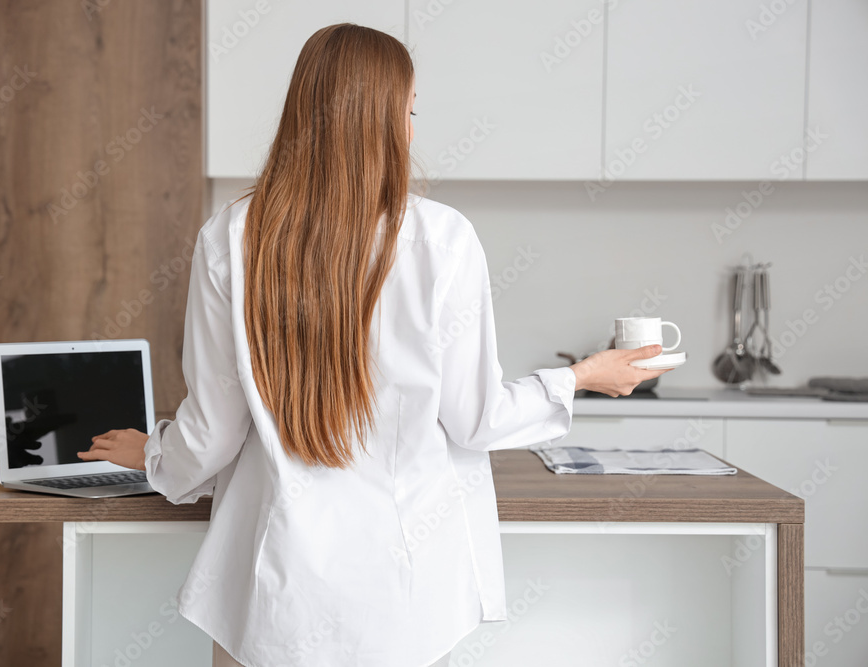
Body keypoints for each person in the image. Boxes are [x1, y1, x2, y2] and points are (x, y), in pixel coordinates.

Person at [77, 23, 668, 667]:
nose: (413, 129)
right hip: (404, 601)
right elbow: (476, 421)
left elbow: (214, 432)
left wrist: (153, 452)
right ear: (384, 122)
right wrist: (580, 377)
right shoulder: (443, 240)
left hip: (276, 598)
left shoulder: (232, 236)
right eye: (409, 112)